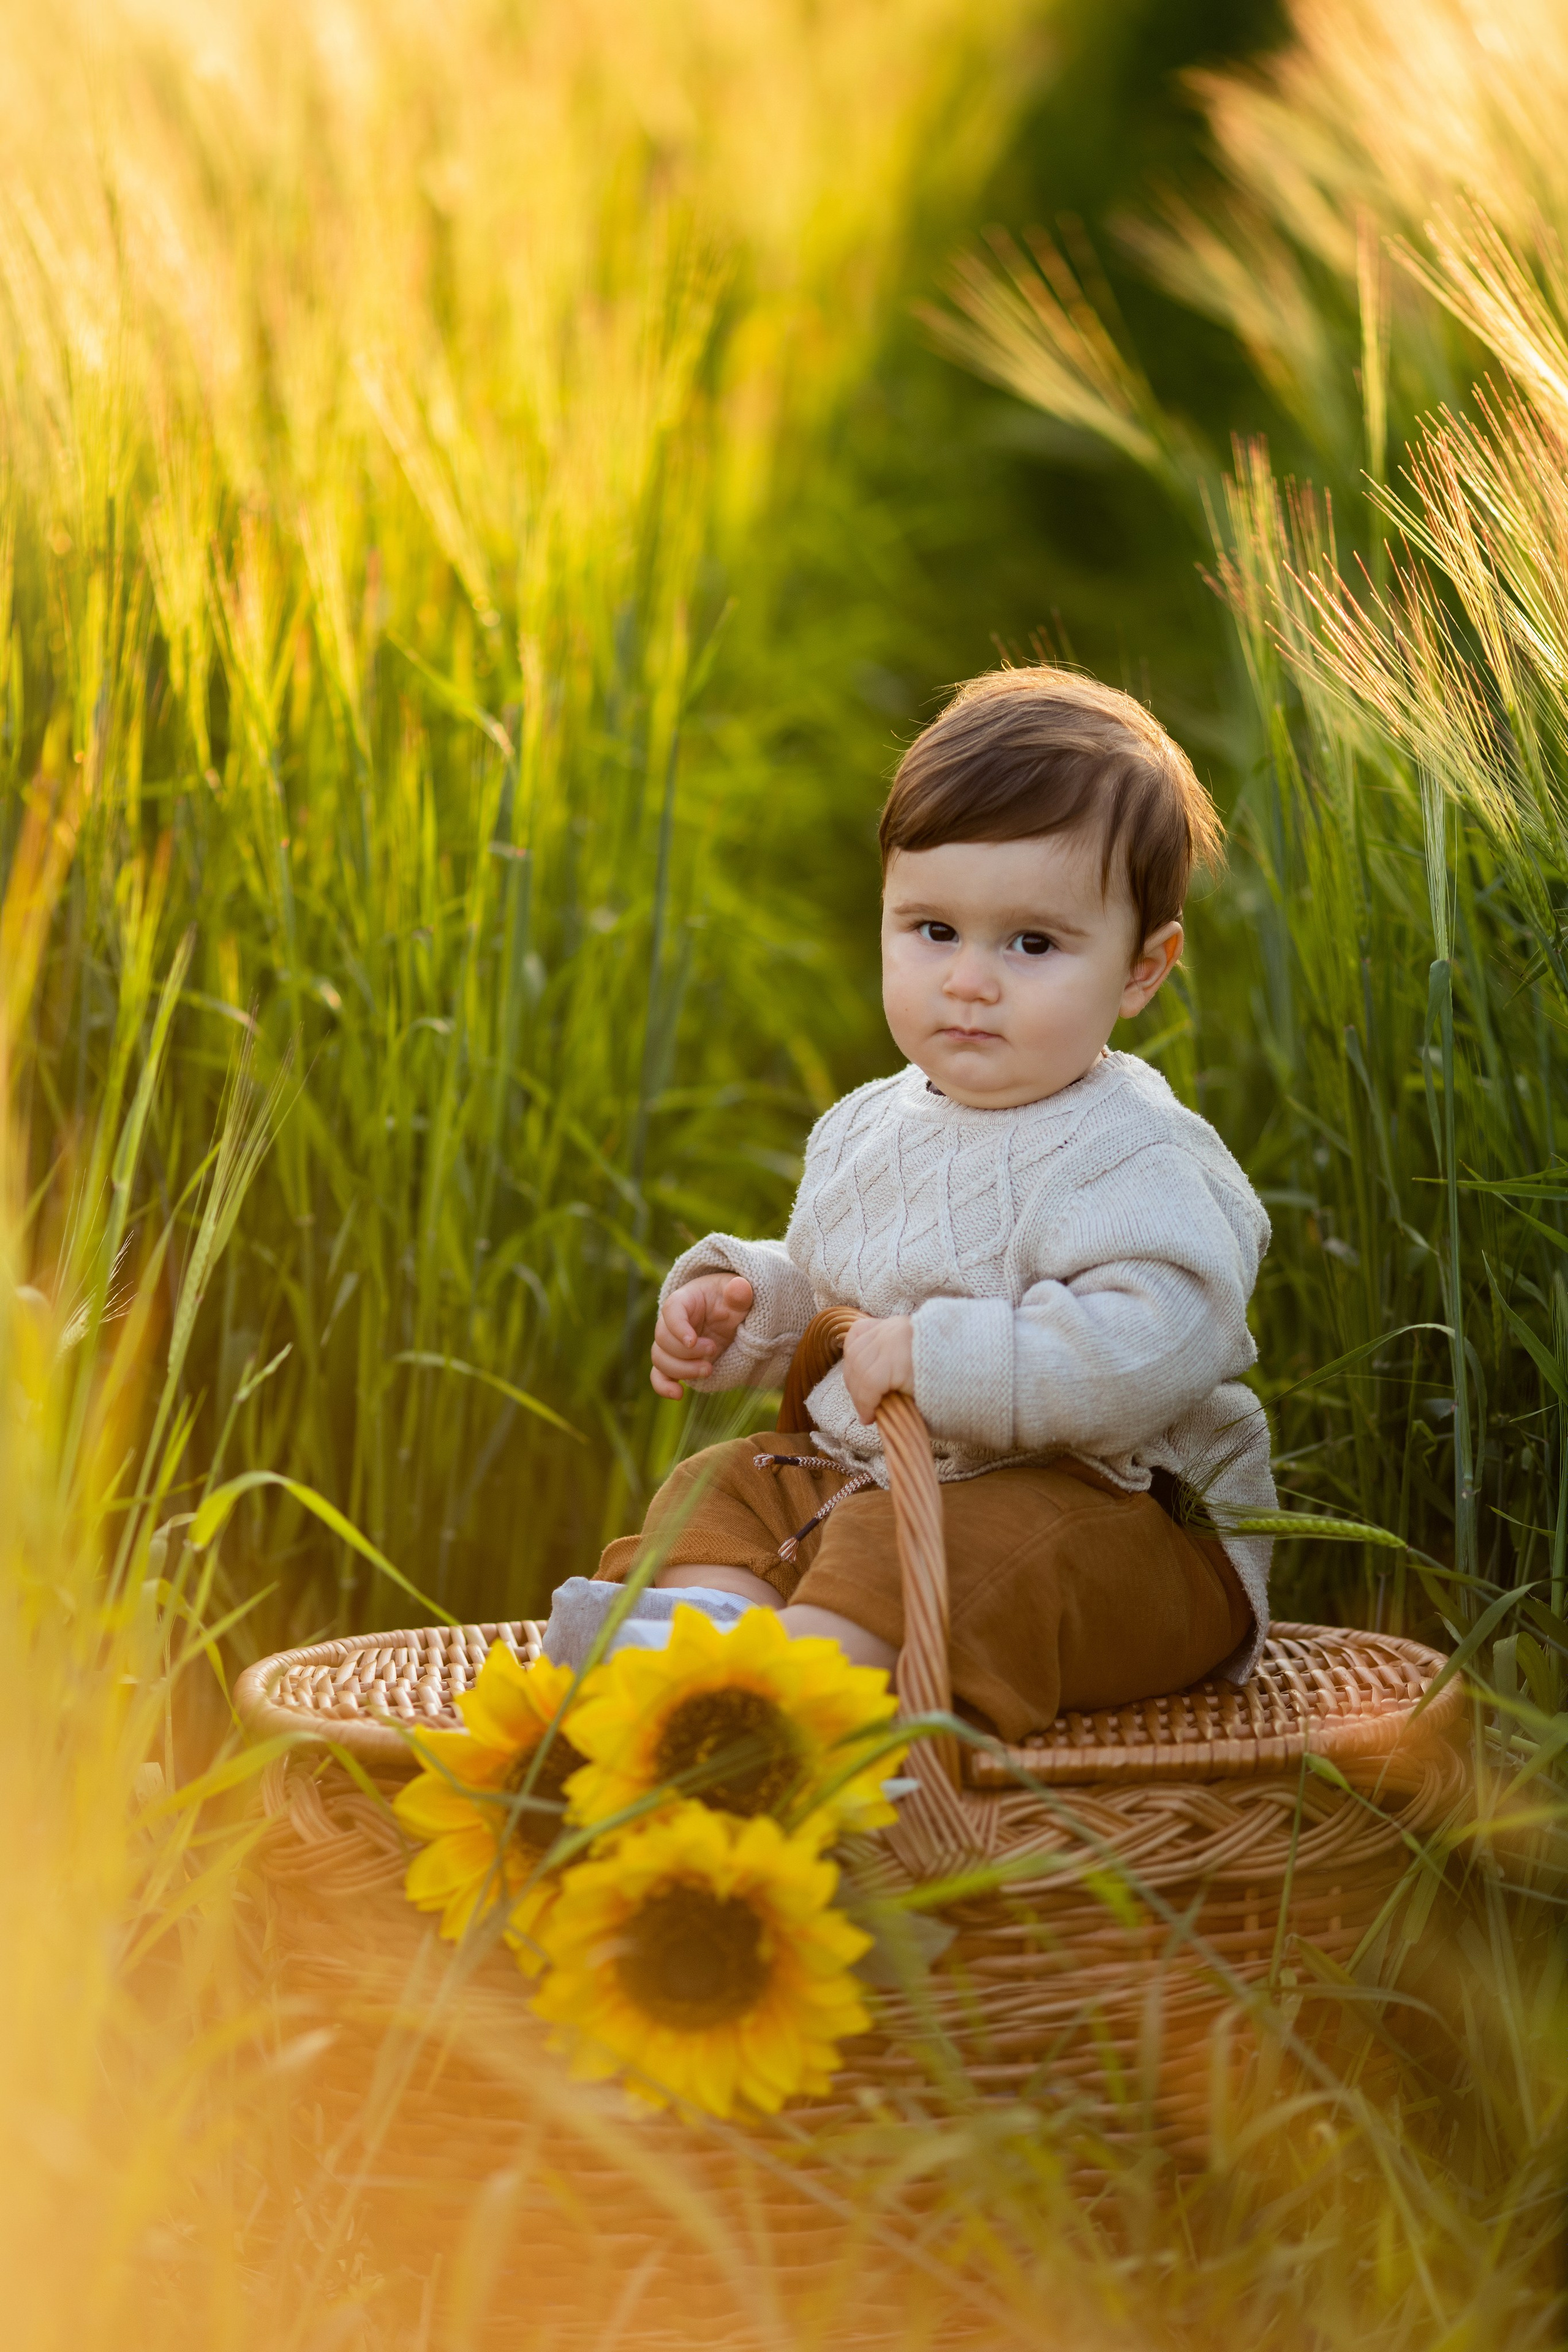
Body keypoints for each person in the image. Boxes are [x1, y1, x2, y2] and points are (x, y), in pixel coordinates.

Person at [550, 665, 1275, 1743]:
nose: (969, 980)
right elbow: (848, 1292)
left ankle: (803, 1706)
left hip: (1121, 1522)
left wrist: (941, 1361)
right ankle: (711, 1637)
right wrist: (759, 1306)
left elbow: (1151, 1347)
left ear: (1142, 970)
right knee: (729, 1482)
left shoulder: (1138, 1153)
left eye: (1031, 944)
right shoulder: (865, 1125)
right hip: (885, 1483)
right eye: (932, 930)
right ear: (883, 916)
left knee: (945, 1545)